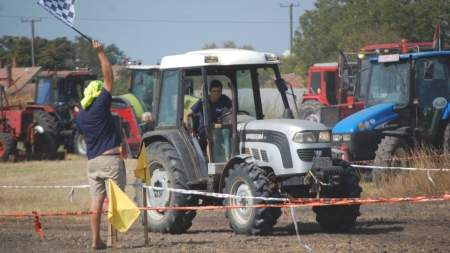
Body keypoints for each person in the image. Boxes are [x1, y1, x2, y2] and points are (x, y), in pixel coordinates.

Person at [76, 40, 126, 250]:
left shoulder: (81, 116)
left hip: (92, 163)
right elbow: (108, 77)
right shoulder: (100, 106)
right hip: (110, 161)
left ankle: (96, 241)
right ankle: (114, 241)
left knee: (96, 203)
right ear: (97, 95)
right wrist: (100, 53)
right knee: (115, 202)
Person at [186, 80, 231, 150]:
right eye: (214, 91)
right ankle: (212, 159)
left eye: (219, 91)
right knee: (214, 137)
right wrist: (191, 130)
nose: (216, 93)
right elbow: (187, 114)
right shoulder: (203, 101)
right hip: (205, 129)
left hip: (218, 126)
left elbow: (233, 110)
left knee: (228, 133)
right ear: (210, 92)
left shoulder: (224, 99)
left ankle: (229, 156)